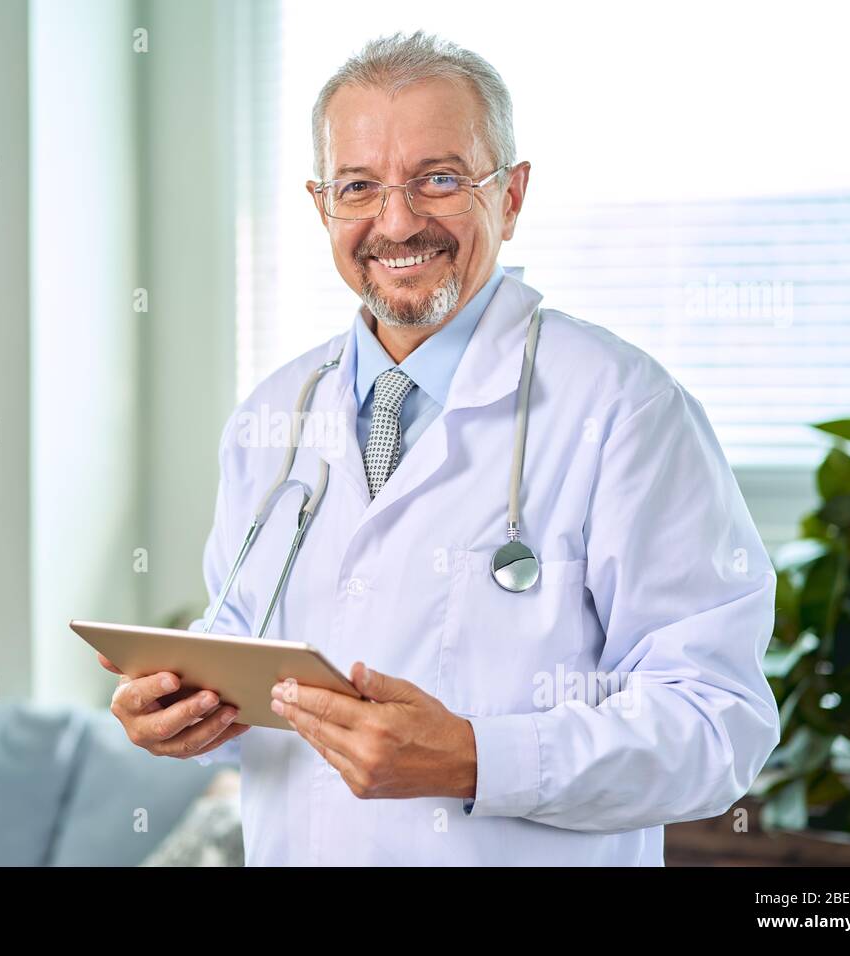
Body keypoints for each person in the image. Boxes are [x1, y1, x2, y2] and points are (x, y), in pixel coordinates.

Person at [98, 31, 780, 865]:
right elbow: (247, 668)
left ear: (512, 196)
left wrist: (475, 758)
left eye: (440, 179)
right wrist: (185, 715)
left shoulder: (624, 409)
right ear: (322, 206)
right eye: (359, 186)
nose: (397, 221)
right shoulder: (272, 417)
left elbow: (717, 723)